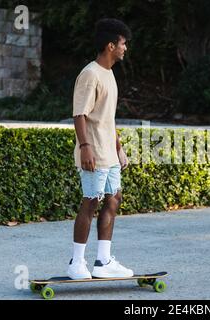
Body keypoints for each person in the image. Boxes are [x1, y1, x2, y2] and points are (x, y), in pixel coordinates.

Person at [68, 18, 133, 280]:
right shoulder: (90, 74)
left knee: (113, 199)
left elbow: (108, 118)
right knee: (91, 202)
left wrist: (119, 148)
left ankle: (103, 261)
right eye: (123, 43)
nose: (125, 48)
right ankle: (76, 263)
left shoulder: (109, 74)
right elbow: (79, 115)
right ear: (110, 45)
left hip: (109, 152)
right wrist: (85, 147)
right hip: (93, 150)